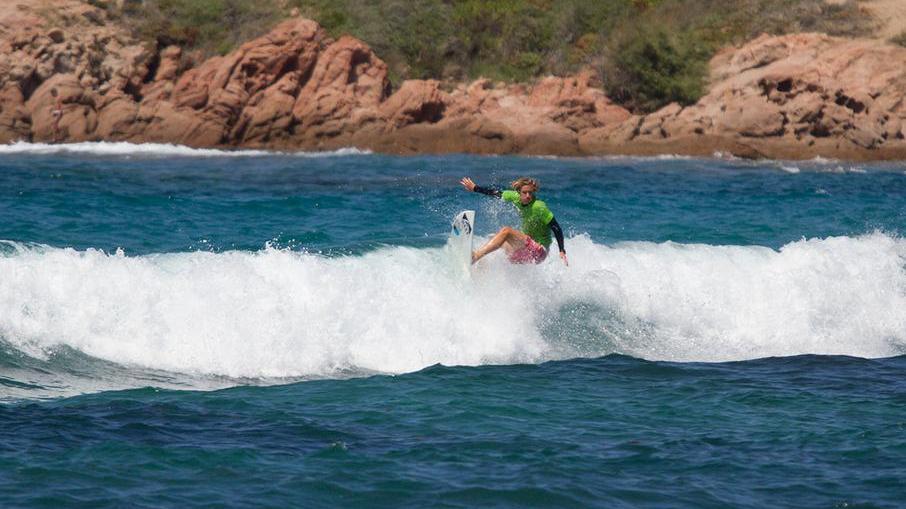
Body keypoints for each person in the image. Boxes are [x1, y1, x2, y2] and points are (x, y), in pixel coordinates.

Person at [460, 176, 568, 266]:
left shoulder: (539, 207)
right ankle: (480, 269)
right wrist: (475, 188)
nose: (528, 196)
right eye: (524, 192)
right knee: (495, 239)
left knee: (506, 232)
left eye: (530, 193)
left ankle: (475, 257)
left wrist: (561, 250)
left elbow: (556, 227)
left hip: (539, 251)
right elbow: (495, 193)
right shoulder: (515, 197)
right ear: (518, 192)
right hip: (525, 251)